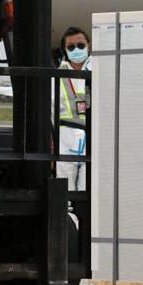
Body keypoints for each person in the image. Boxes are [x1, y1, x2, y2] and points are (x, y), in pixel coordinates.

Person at [56, 27, 92, 191]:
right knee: (65, 192)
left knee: (89, 191)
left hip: (92, 137)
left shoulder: (99, 70)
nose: (76, 49)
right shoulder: (57, 75)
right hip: (65, 139)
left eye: (80, 45)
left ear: (88, 45)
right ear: (65, 49)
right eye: (71, 47)